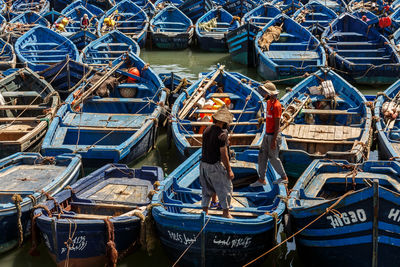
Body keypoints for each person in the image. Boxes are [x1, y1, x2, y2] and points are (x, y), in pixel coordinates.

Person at [199, 106, 234, 219]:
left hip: (203, 165)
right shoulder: (222, 134)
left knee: (206, 190)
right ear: (224, 122)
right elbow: (224, 155)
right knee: (226, 188)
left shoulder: (207, 129)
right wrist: (229, 170)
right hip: (214, 166)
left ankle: (205, 212)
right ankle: (226, 213)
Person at [256, 82, 288, 189]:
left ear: (270, 93)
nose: (264, 94)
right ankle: (261, 179)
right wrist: (263, 120)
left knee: (273, 157)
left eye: (265, 93)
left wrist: (274, 140)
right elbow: (269, 118)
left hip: (273, 135)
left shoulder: (277, 105)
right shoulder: (269, 103)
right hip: (266, 134)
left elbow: (277, 124)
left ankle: (284, 177)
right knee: (262, 155)